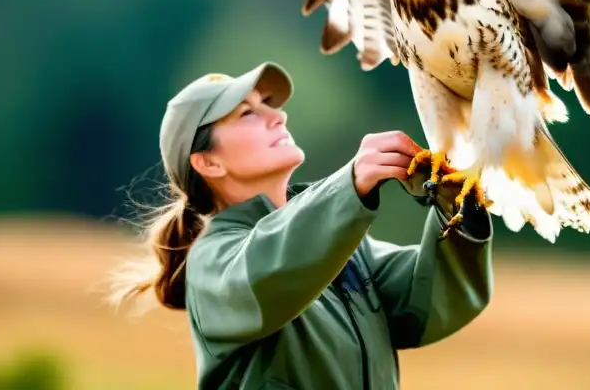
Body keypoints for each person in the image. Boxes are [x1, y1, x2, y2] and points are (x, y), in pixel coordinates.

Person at [109, 62, 493, 389]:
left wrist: (456, 200)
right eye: (247, 113)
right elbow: (271, 270)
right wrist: (349, 186)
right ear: (208, 164)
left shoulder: (345, 247)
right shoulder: (211, 261)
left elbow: (431, 305)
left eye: (268, 105)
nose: (278, 115)